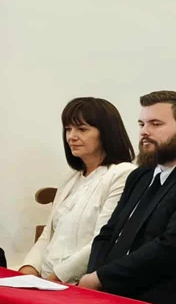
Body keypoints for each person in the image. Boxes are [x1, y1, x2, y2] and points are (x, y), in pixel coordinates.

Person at [82, 91, 176, 304]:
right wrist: (94, 276)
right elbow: (108, 233)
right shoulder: (140, 175)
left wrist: (101, 278)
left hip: (159, 298)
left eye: (155, 124)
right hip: (111, 289)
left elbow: (175, 246)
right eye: (142, 124)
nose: (144, 132)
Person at [20, 98, 135, 284]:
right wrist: (27, 271)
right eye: (68, 129)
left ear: (106, 133)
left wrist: (54, 279)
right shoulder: (71, 176)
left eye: (82, 129)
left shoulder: (122, 174)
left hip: (81, 284)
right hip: (46, 279)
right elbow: (48, 234)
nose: (71, 137)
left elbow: (102, 241)